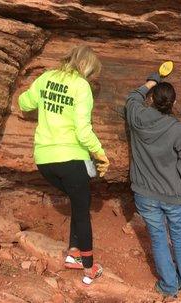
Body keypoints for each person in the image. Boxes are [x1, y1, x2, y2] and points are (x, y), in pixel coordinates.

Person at [18, 45, 109, 285]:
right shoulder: (81, 87)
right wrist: (100, 153)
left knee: (79, 202)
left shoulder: (46, 77)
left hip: (44, 160)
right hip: (71, 157)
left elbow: (24, 103)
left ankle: (73, 254)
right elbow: (83, 130)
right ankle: (89, 269)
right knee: (82, 210)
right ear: (87, 67)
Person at [123, 68, 181, 298]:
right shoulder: (178, 129)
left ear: (152, 100)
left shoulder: (137, 117)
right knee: (177, 235)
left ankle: (168, 286)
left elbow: (131, 98)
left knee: (157, 237)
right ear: (174, 102)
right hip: (173, 193)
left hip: (145, 193)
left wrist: (150, 82)